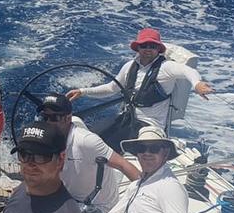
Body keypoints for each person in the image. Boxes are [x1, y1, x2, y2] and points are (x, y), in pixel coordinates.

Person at [66, 28, 214, 147]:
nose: (148, 49)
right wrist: (82, 91)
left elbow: (188, 71)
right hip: (127, 119)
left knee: (146, 152)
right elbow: (112, 88)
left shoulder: (166, 67)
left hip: (151, 125)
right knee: (89, 141)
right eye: (144, 45)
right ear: (138, 48)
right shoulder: (129, 66)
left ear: (158, 49)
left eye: (152, 46)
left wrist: (197, 84)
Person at [40, 93, 141, 213]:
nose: (48, 122)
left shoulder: (86, 141)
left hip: (99, 209)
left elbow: (123, 165)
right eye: (45, 117)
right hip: (68, 202)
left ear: (68, 118)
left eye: (54, 118)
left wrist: (146, 195)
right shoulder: (46, 139)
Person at [99, 126, 191, 213]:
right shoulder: (135, 185)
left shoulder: (170, 186)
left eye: (154, 148)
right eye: (142, 148)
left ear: (165, 153)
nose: (147, 153)